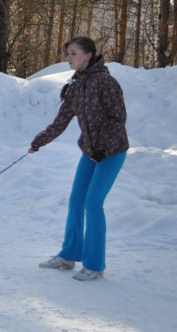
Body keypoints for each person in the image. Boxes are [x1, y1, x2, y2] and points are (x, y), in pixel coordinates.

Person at [30, 36, 128, 281]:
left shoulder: (107, 83)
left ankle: (95, 266)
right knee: (76, 201)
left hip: (112, 152)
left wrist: (103, 149)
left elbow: (119, 119)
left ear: (88, 55)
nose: (68, 58)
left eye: (73, 53)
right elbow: (60, 122)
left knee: (93, 204)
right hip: (90, 151)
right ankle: (68, 256)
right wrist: (38, 142)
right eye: (67, 53)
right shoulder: (75, 86)